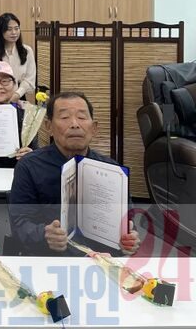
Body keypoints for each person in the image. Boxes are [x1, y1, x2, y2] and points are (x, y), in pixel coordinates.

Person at [8, 92, 139, 257]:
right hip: (49, 261)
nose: (75, 124)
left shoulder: (113, 171)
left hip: (101, 262)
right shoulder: (29, 166)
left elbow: (129, 224)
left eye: (82, 117)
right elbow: (20, 223)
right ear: (48, 126)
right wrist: (44, 234)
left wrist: (130, 239)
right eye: (64, 117)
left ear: (94, 127)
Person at [0, 13, 36, 102]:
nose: (14, 32)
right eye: (9, 29)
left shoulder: (27, 51)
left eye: (16, 28)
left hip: (18, 96)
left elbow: (29, 78)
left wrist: (17, 95)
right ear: (0, 31)